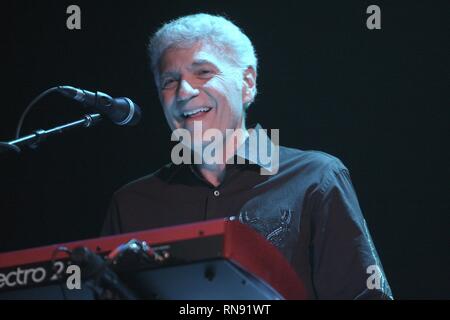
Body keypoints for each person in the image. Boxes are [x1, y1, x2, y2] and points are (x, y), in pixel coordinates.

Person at [101, 13, 393, 299]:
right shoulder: (131, 204)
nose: (184, 92)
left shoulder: (316, 178)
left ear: (248, 83)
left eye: (203, 72)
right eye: (169, 81)